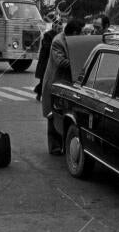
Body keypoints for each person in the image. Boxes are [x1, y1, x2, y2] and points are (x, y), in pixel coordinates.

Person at [41, 18, 84, 154]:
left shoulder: (74, 40)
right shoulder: (58, 41)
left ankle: (64, 144)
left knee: (65, 114)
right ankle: (54, 147)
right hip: (55, 82)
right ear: (74, 32)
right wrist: (80, 64)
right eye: (79, 33)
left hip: (67, 83)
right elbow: (61, 62)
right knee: (53, 114)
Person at [33, 18, 62, 101]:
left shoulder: (61, 35)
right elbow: (46, 47)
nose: (59, 29)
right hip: (46, 60)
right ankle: (39, 93)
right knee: (44, 80)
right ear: (53, 27)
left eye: (60, 28)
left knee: (53, 79)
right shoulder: (48, 35)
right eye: (58, 28)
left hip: (55, 59)